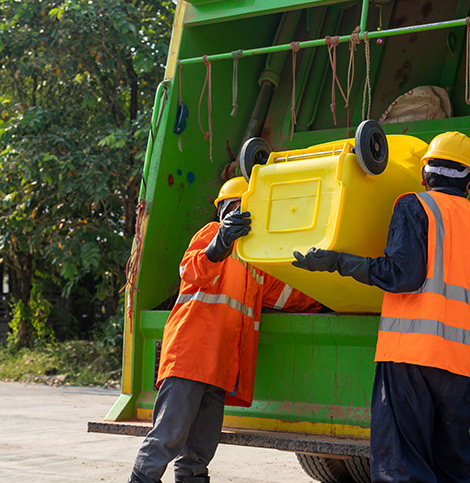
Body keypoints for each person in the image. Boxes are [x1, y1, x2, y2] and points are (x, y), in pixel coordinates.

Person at [291, 131, 470, 482]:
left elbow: (402, 274)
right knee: (455, 466)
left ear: (424, 174)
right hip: (460, 362)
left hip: (411, 355)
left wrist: (337, 261)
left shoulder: (416, 205)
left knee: (403, 466)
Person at [128, 176, 321, 483]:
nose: (238, 214)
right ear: (221, 212)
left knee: (199, 451)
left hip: (220, 368)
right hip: (190, 360)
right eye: (232, 208)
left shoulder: (256, 262)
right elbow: (190, 269)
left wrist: (326, 294)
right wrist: (220, 244)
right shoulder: (210, 234)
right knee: (167, 438)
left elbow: (288, 296)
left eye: (244, 208)